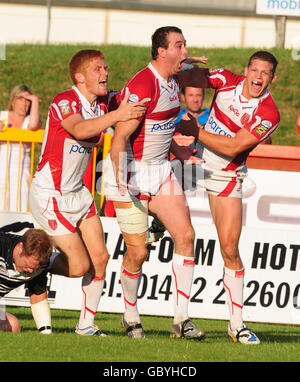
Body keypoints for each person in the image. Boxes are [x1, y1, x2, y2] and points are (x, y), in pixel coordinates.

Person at [29, 49, 146, 337]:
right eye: (97, 69)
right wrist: (118, 115)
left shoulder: (105, 102)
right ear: (79, 77)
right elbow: (80, 130)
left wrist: (173, 71)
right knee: (80, 264)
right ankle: (33, 265)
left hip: (78, 192)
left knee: (101, 258)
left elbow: (140, 92)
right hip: (50, 194)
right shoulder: (64, 101)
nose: (105, 73)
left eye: (105, 68)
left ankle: (85, 325)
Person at [103, 26, 207, 340]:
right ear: (161, 51)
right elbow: (120, 136)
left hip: (160, 171)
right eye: (179, 46)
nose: (185, 51)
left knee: (187, 235)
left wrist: (191, 62)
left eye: (185, 45)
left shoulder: (174, 80)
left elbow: (185, 69)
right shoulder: (144, 85)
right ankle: (131, 315)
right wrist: (122, 178)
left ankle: (181, 320)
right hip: (131, 173)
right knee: (138, 254)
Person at [173, 50, 280, 345]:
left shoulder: (268, 113)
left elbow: (234, 148)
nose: (258, 77)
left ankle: (236, 325)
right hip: (192, 165)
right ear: (246, 69)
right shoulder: (226, 80)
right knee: (180, 231)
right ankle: (180, 319)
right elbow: (178, 78)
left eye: (265, 73)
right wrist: (182, 63)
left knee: (230, 248)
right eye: (254, 70)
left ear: (272, 78)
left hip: (226, 176)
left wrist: (196, 130)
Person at [148, 86, 209, 243]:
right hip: (182, 165)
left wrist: (201, 133)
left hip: (207, 164)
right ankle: (160, 222)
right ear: (183, 97)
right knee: (176, 168)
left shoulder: (210, 117)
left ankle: (160, 222)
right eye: (191, 95)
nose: (195, 99)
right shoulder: (176, 117)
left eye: (198, 95)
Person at [0, 228, 53, 333]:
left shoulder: (40, 266)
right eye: (27, 265)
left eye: (34, 268)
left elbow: (38, 296)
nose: (30, 271)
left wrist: (46, 335)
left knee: (13, 326)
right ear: (21, 247)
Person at [0, 85, 42, 212]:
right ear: (13, 101)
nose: (25, 104)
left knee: (20, 203)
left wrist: (35, 100)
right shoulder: (2, 116)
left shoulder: (31, 120)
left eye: (28, 101)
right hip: (1, 165)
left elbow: (34, 125)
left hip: (21, 168)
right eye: (21, 99)